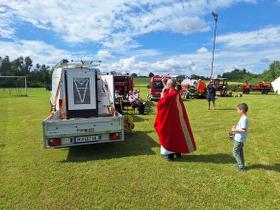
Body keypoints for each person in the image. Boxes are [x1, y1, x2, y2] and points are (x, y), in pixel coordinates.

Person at [154, 79, 196, 160]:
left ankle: (170, 154)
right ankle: (178, 152)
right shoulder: (174, 93)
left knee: (169, 135)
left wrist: (162, 95)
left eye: (167, 84)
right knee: (177, 134)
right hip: (176, 118)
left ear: (170, 85)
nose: (166, 85)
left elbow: (160, 104)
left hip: (169, 119)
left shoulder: (170, 94)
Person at [231, 103, 249, 171]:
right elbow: (241, 127)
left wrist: (234, 130)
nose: (237, 111)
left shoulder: (244, 118)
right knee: (240, 152)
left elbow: (243, 129)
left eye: (238, 110)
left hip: (240, 138)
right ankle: (242, 164)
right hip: (239, 138)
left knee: (235, 151)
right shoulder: (243, 117)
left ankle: (241, 166)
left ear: (242, 110)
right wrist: (236, 127)